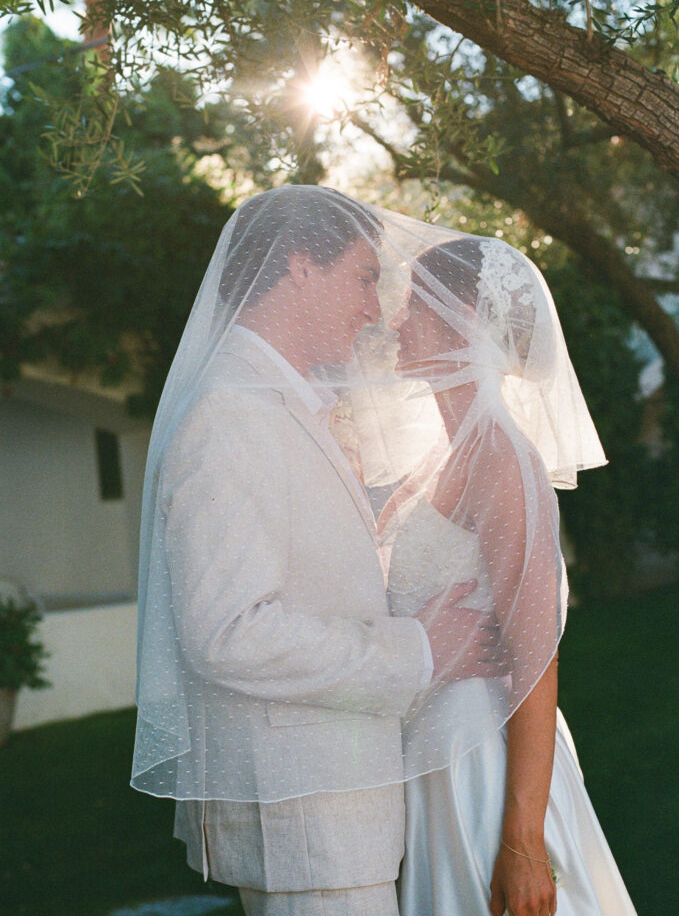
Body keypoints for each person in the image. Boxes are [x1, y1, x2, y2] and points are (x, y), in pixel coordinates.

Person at [130, 186, 502, 916]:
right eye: (365, 276)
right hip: (303, 822)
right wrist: (418, 651)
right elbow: (229, 635)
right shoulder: (227, 416)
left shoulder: (283, 404)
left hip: (334, 814)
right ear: (299, 265)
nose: (375, 307)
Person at [375, 233, 639, 916]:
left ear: (466, 320)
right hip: (434, 755)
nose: (397, 320)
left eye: (417, 304)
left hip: (483, 767)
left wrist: (520, 839)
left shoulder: (501, 461)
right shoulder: (439, 458)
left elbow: (534, 656)